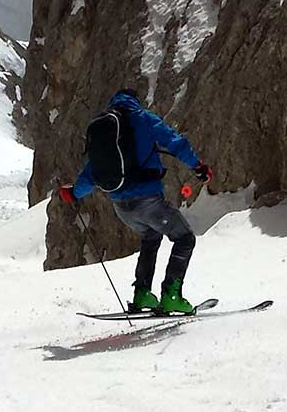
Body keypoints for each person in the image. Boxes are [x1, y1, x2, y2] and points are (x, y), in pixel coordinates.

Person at [58, 89, 213, 315]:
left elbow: (92, 171)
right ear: (134, 101)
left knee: (150, 237)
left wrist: (74, 193)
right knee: (184, 238)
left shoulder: (107, 131)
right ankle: (171, 296)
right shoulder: (143, 118)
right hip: (148, 202)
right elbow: (175, 143)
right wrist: (199, 168)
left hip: (121, 206)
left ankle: (142, 294)